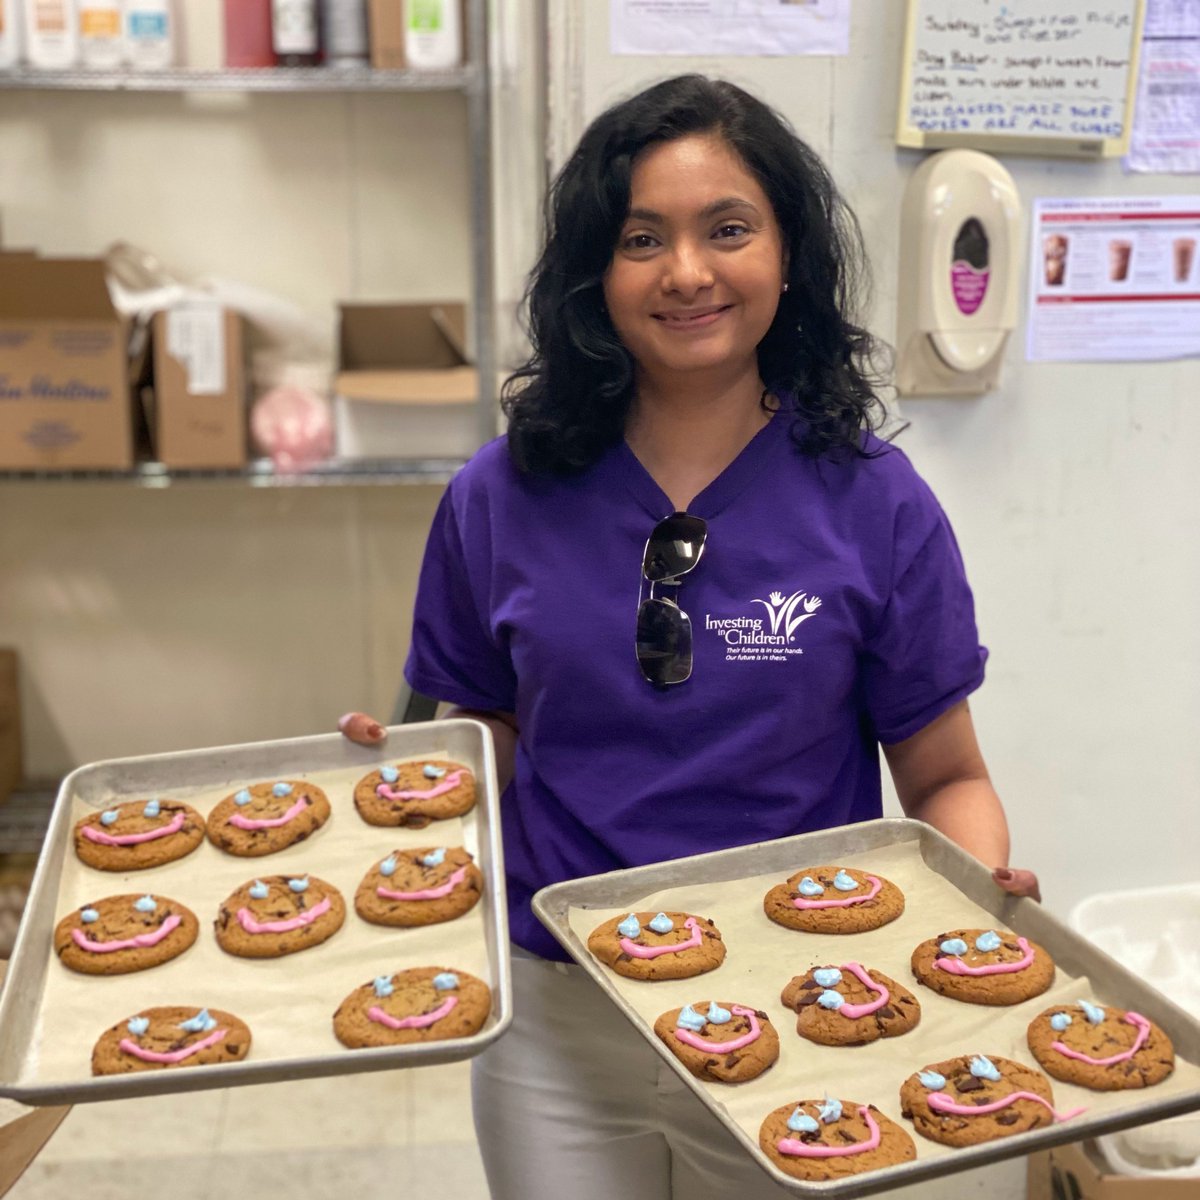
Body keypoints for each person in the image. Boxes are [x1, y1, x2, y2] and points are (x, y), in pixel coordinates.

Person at [341, 74, 1039, 1200]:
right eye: (639, 238)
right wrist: (392, 798)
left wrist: (981, 890)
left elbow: (947, 774)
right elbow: (484, 743)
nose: (687, 273)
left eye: (728, 230)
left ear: (788, 256)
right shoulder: (497, 496)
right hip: (557, 1025)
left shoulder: (877, 503)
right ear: (593, 273)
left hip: (805, 1008)